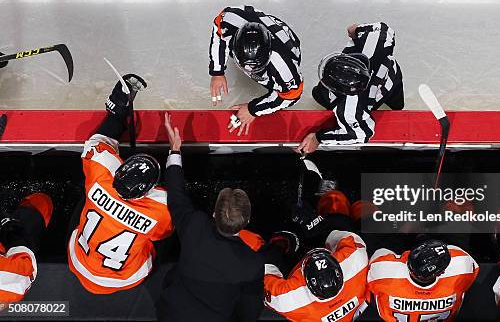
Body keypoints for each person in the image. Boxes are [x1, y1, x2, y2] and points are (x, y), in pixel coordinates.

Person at [157, 113, 291, 321]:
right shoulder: (251, 263)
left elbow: (176, 196)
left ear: (213, 213)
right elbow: (249, 311)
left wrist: (175, 149)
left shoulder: (195, 227)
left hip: (173, 308)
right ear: (247, 222)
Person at [67, 74, 173, 294]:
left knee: (88, 197)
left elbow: (99, 141)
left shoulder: (102, 172)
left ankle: (119, 105)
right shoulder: (161, 208)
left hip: (79, 260)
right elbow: (166, 231)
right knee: (164, 242)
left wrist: (117, 111)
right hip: (125, 277)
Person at [296, 22, 404, 154]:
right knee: (398, 104)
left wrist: (318, 138)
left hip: (373, 97)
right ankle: (397, 104)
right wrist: (358, 29)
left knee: (319, 94)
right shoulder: (376, 42)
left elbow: (361, 134)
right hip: (393, 78)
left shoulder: (350, 110)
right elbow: (384, 29)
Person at [209, 5, 302, 136]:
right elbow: (219, 34)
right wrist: (217, 72)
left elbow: (292, 95)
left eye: (255, 68)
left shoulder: (284, 68)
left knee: (278, 85)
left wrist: (253, 109)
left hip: (286, 46)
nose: (250, 71)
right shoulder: (228, 21)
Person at [263, 230, 369, 321]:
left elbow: (264, 274)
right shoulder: (357, 263)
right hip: (324, 251)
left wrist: (278, 246)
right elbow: (347, 238)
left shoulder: (288, 299)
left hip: (293, 266)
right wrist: (321, 232)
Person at [368, 240, 479, 321]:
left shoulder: (383, 272)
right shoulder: (461, 269)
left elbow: (380, 252)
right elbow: (457, 252)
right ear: (441, 272)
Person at [0, 192, 53, 307]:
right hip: (12, 249)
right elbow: (24, 266)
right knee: (40, 204)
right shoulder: (7, 287)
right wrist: (10, 231)